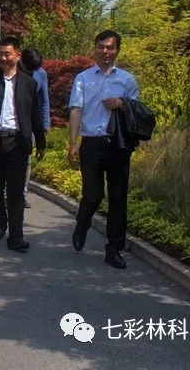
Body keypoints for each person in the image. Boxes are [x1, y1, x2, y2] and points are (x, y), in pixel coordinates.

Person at [68, 30, 140, 269]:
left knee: (118, 198)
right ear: (95, 48)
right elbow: (76, 109)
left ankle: (114, 248)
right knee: (93, 194)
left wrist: (121, 104)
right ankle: (82, 224)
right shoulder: (83, 79)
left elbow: (136, 110)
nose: (105, 51)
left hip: (118, 145)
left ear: (117, 50)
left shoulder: (127, 80)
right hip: (92, 144)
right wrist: (73, 142)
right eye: (101, 47)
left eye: (110, 47)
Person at [0, 36, 46, 252]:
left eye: (7, 54)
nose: (3, 58)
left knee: (16, 192)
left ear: (18, 55)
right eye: (0, 54)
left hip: (18, 143)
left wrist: (41, 142)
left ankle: (16, 236)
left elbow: (35, 114)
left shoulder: (28, 83)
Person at [19, 47, 50, 208]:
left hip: (29, 123)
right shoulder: (11, 71)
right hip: (11, 124)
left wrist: (45, 123)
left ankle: (22, 194)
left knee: (27, 159)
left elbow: (43, 100)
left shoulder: (41, 74)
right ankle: (5, 192)